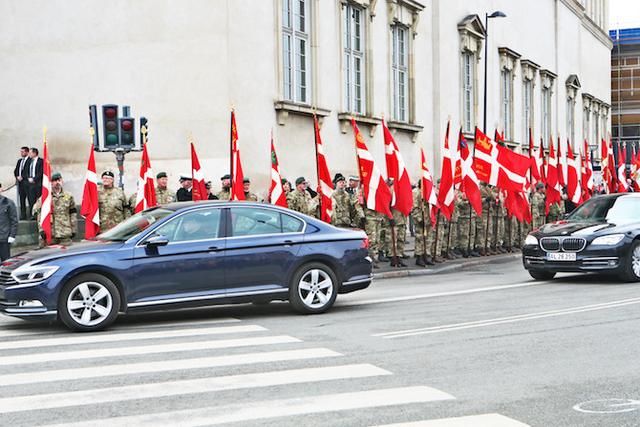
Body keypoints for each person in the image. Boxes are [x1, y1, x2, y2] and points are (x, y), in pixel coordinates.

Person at [33, 173, 77, 246]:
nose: (57, 182)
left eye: (59, 180)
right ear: (51, 183)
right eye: (55, 180)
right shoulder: (45, 197)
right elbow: (39, 214)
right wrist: (42, 230)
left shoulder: (69, 196)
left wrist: (74, 229)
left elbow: (73, 213)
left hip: (65, 232)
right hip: (50, 233)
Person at [0, 182, 18, 261]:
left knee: (6, 262)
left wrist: (12, 235)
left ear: (1, 189)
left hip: (4, 238)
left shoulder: (8, 203)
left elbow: (14, 220)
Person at [14, 146, 30, 220]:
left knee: (30, 200)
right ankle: (23, 215)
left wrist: (22, 177)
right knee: (22, 200)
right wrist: (17, 176)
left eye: (23, 151)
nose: (21, 153)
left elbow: (28, 171)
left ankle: (31, 215)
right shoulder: (19, 161)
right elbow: (16, 170)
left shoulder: (30, 161)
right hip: (20, 184)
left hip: (27, 184)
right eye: (21, 151)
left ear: (27, 152)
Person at [26, 147, 43, 219]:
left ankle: (39, 214)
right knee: (31, 199)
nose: (29, 154)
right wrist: (28, 178)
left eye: (30, 152)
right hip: (30, 184)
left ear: (34, 153)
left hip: (38, 183)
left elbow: (41, 172)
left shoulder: (41, 161)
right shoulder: (29, 161)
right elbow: (26, 170)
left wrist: (34, 179)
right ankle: (33, 214)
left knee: (39, 200)